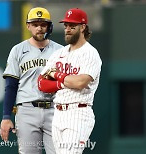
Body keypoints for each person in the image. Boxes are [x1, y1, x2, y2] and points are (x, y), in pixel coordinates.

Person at [38, 8, 102, 154]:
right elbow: (41, 83)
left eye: (72, 26)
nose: (67, 29)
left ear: (83, 27)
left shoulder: (90, 53)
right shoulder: (59, 53)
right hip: (58, 113)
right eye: (66, 25)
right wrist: (63, 82)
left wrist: (57, 75)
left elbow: (80, 82)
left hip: (78, 112)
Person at [0, 7, 63, 154]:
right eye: (35, 24)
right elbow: (10, 86)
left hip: (55, 109)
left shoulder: (60, 51)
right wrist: (6, 116)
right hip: (27, 110)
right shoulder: (18, 50)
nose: (39, 28)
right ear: (28, 26)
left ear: (49, 26)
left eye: (43, 24)